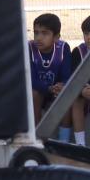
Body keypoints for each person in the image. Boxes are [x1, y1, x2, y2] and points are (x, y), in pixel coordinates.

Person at [29, 12, 72, 127]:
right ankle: (37, 132)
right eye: (36, 33)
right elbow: (30, 79)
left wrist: (62, 85)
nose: (38, 38)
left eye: (45, 33)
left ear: (56, 37)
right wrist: (48, 88)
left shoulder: (63, 48)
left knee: (66, 92)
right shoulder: (29, 48)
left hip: (55, 91)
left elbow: (67, 75)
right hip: (38, 91)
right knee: (34, 93)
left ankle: (64, 136)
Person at [70, 15, 90, 146]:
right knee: (76, 101)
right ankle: (80, 144)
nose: (89, 37)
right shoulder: (78, 52)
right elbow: (73, 78)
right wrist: (82, 90)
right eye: (86, 33)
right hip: (84, 93)